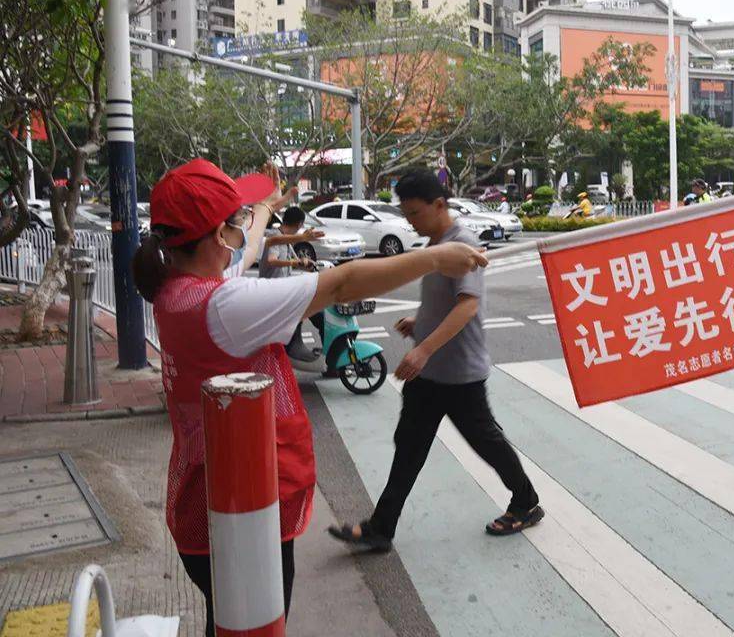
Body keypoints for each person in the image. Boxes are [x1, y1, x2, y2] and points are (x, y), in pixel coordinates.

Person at [132, 159, 486, 637]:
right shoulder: (227, 307)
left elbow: (251, 244)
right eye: (232, 222)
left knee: (230, 621)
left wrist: (262, 209)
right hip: (244, 509)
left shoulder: (177, 288)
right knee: (256, 624)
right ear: (217, 235)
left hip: (204, 500)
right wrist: (436, 259)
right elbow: (342, 282)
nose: (242, 231)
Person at [328, 169, 542, 552]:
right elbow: (444, 301)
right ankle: (381, 528)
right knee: (409, 445)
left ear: (439, 204)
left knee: (487, 443)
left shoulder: (462, 245)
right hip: (430, 377)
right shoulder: (437, 243)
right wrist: (421, 323)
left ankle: (526, 502)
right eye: (405, 214)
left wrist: (424, 348)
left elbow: (469, 305)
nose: (410, 221)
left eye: (414, 213)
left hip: (458, 375)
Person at [259, 206, 326, 362]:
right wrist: (295, 261)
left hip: (284, 291)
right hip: (275, 294)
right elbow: (272, 260)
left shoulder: (286, 240)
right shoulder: (277, 237)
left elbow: (294, 261)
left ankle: (300, 349)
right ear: (300, 224)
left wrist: (304, 263)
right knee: (318, 313)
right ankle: (296, 349)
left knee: (316, 310)